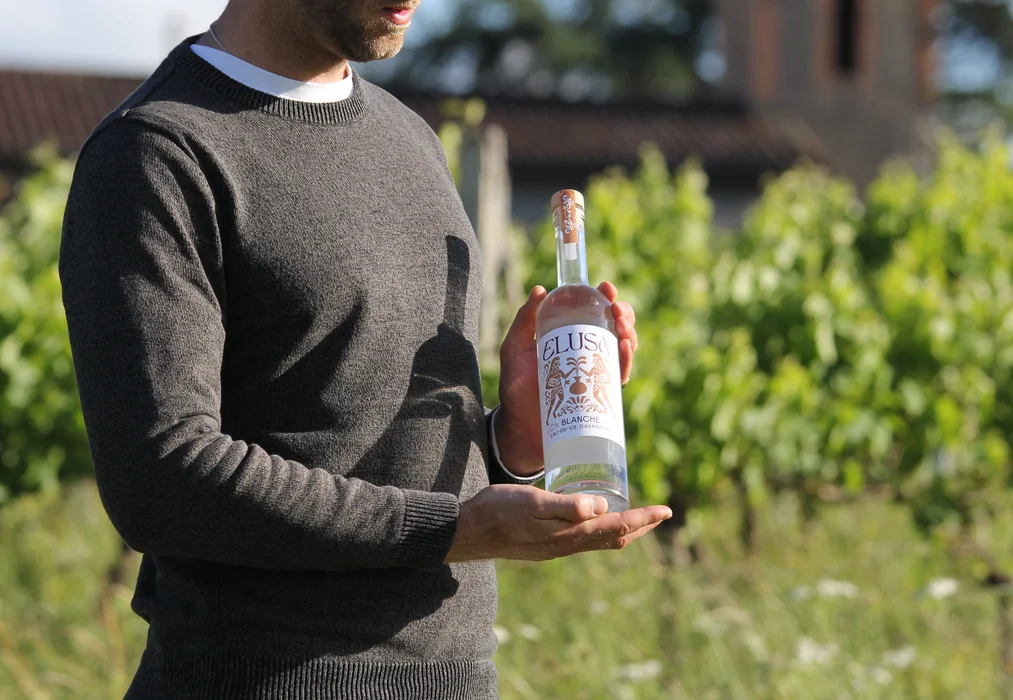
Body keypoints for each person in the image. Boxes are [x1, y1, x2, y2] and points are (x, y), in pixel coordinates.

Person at [58, 1, 672, 697]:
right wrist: (449, 530)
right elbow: (162, 481)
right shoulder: (157, 153)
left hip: (453, 680)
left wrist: (515, 439)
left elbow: (365, 440)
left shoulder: (408, 137)